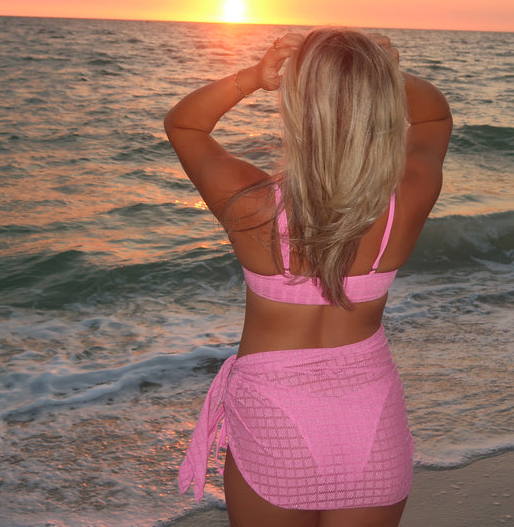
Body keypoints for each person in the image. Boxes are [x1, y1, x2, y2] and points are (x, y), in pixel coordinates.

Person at [164, 28, 452, 527]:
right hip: (371, 421)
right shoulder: (406, 199)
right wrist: (383, 76)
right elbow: (434, 115)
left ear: (298, 107)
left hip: (275, 421)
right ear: (379, 102)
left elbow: (185, 127)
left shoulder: (253, 205)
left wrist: (254, 77)